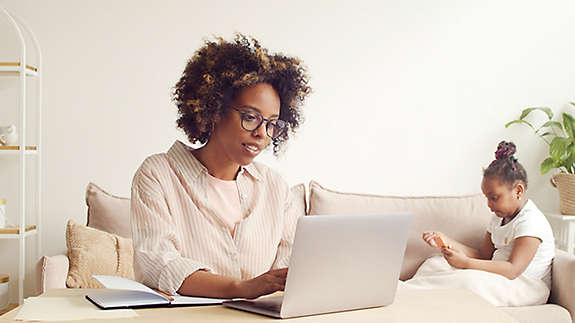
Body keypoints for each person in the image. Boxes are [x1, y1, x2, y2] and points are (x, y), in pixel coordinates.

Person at [130, 34, 311, 299]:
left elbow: (289, 268)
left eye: (272, 123)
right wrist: (240, 289)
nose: (262, 133)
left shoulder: (275, 186)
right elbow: (157, 263)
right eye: (251, 117)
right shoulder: (158, 174)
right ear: (214, 109)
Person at [403, 141, 555, 306]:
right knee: (435, 263)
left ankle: (408, 296)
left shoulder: (530, 222)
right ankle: (409, 293)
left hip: (524, 286)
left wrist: (466, 264)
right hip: (499, 276)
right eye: (487, 198)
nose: (489, 205)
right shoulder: (499, 217)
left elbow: (513, 270)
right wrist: (446, 240)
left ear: (518, 191)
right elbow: (483, 255)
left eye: (494, 197)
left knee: (467, 280)